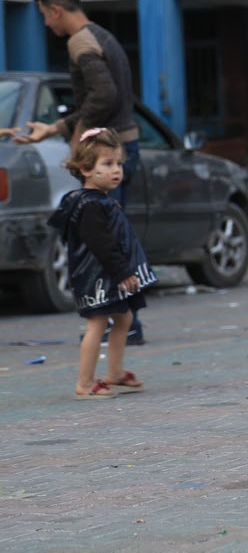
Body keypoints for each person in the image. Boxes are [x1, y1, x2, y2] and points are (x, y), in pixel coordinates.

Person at [18, 0, 146, 344]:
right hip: (122, 148)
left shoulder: (80, 42)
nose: (45, 22)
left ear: (56, 9)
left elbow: (103, 96)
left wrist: (78, 137)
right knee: (113, 237)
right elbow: (106, 96)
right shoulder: (103, 36)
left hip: (106, 157)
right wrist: (55, 127)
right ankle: (124, 323)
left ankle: (120, 324)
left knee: (102, 240)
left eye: (44, 14)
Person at [47, 128, 156, 399]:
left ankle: (115, 373)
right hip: (96, 277)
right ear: (85, 169)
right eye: (107, 164)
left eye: (118, 163)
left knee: (124, 318)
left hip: (103, 275)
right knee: (96, 325)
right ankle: (84, 383)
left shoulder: (98, 201)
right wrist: (122, 272)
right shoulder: (91, 206)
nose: (117, 170)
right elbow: (102, 245)